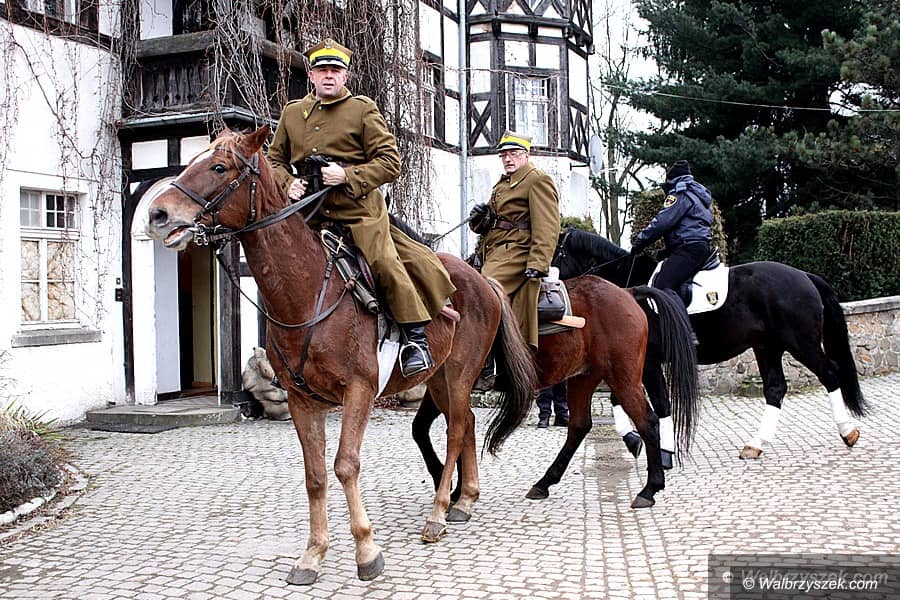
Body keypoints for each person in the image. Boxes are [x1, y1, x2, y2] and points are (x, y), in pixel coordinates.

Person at [267, 38, 456, 377]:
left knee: (384, 261)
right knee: (281, 266)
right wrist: (286, 182)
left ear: (345, 76)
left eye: (335, 70)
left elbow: (390, 162)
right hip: (309, 213)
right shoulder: (292, 113)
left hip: (358, 211)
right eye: (322, 70)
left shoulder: (362, 109)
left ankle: (415, 340)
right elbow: (274, 160)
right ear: (311, 75)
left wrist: (347, 175)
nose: (329, 76)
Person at [468, 131, 560, 350]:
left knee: (482, 291)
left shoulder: (537, 179)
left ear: (526, 155)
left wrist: (538, 263)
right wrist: (481, 218)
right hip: (493, 250)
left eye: (514, 153)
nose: (508, 159)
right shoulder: (503, 184)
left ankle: (487, 353)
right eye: (504, 155)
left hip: (518, 251)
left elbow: (547, 226)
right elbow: (493, 225)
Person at [630, 160, 713, 341]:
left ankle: (685, 333)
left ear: (672, 178)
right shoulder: (698, 194)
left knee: (663, 284)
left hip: (688, 247)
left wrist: (640, 241)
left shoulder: (680, 193)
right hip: (699, 245)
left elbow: (663, 222)